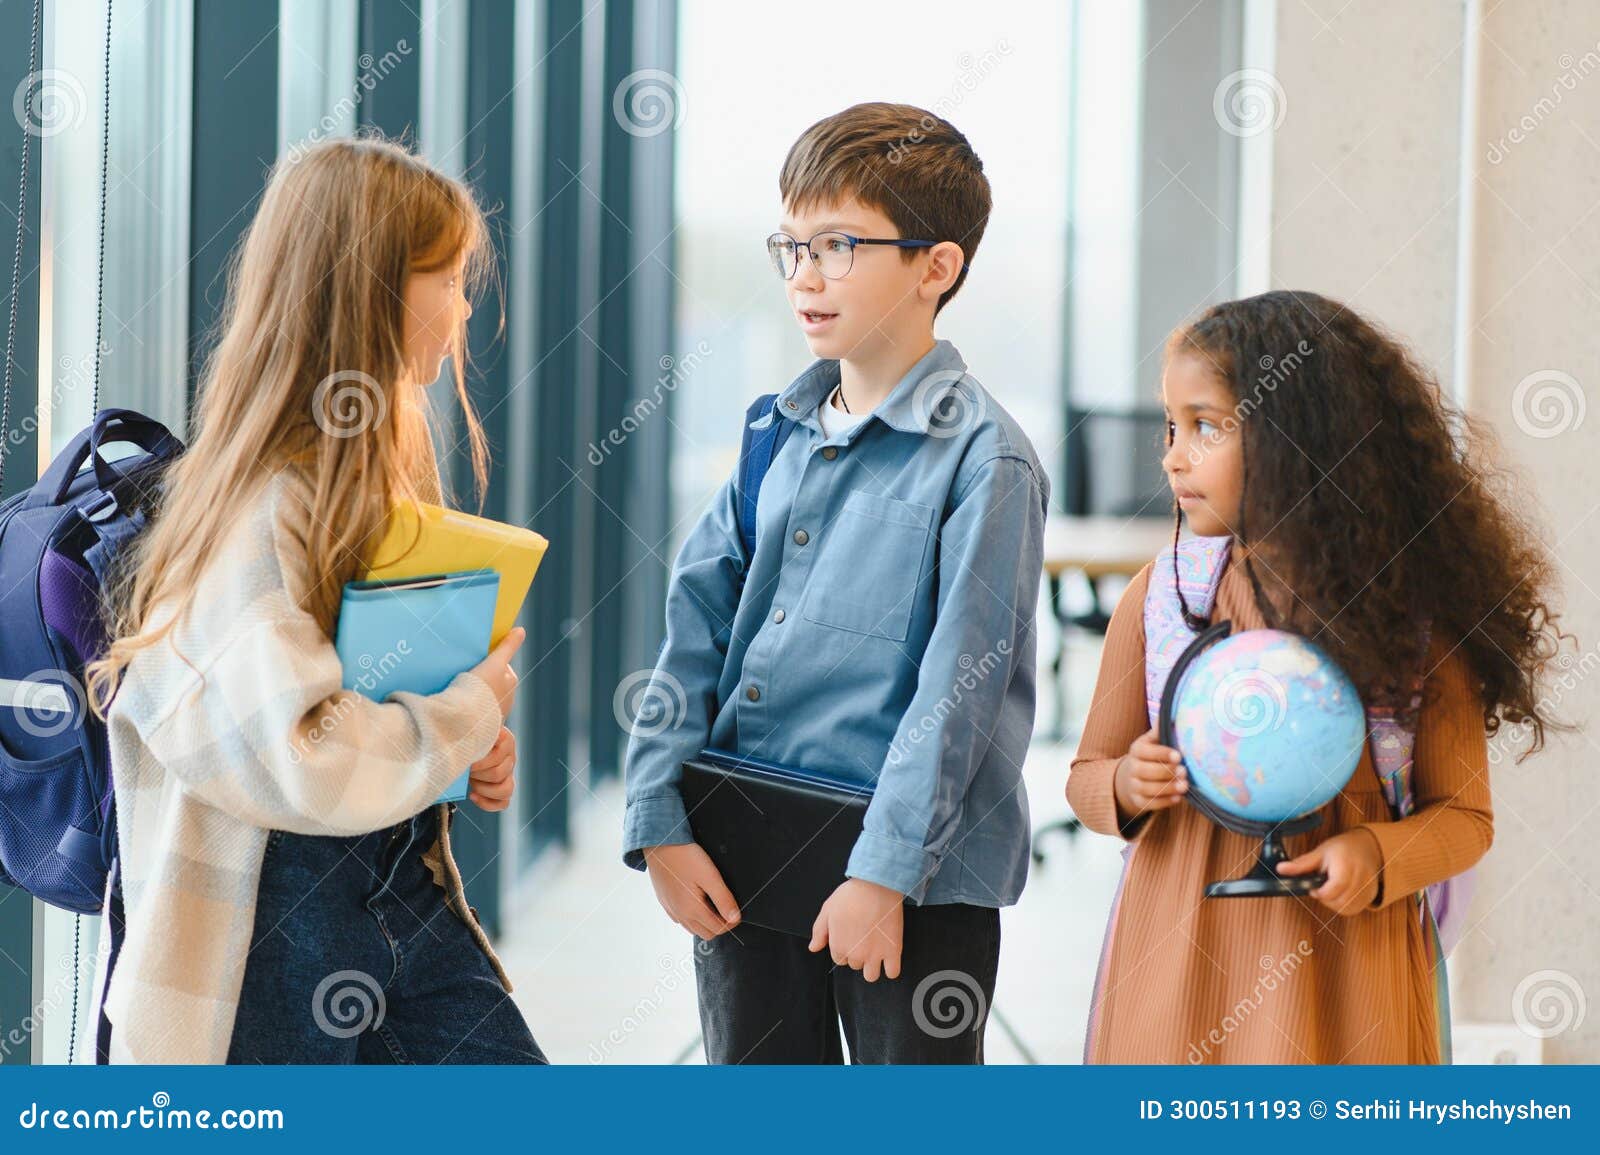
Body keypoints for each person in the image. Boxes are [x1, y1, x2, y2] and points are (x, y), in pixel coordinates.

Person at [86, 136, 545, 1064]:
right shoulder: (263, 508)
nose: (463, 308)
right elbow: (300, 761)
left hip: (381, 903)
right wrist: (462, 715)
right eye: (447, 279)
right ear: (372, 289)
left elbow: (338, 707)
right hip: (270, 945)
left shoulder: (344, 485)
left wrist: (461, 758)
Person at [621, 102, 1050, 1064]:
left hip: (916, 885)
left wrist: (883, 875)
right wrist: (660, 818)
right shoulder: (773, 432)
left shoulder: (986, 463)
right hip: (746, 849)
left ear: (937, 267)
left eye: (840, 245)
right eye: (793, 246)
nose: (805, 276)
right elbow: (692, 627)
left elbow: (960, 692)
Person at [1069, 290, 1568, 1063]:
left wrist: (1378, 853)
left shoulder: (1412, 614)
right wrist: (1126, 786)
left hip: (1349, 976)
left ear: (1294, 438)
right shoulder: (1157, 596)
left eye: (1204, 425)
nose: (1171, 454)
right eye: (1171, 426)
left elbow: (1465, 816)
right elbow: (1086, 775)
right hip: (1175, 956)